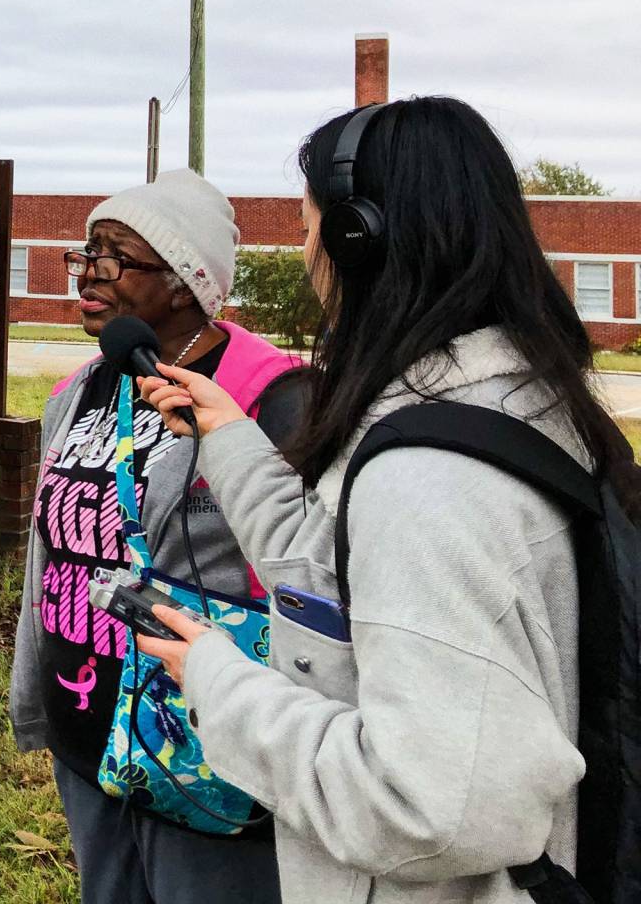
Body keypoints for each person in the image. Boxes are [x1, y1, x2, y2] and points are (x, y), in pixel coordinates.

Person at [136, 97, 641, 904]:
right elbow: (331, 576)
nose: (306, 256)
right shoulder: (506, 401)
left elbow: (424, 809)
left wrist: (218, 682)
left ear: (356, 239)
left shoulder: (433, 487)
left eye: (309, 230)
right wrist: (228, 435)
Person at [9, 169, 302, 904]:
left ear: (185, 283)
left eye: (116, 256)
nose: (89, 272)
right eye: (87, 252)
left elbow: (306, 566)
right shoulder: (80, 389)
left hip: (199, 741)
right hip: (86, 728)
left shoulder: (271, 395)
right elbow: (50, 554)